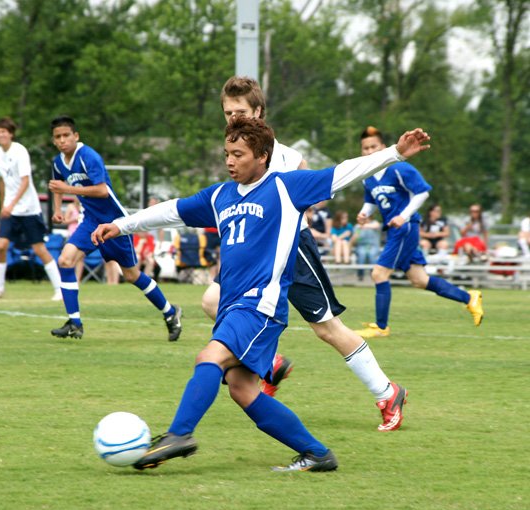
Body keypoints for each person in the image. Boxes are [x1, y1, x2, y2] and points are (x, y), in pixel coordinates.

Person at [91, 118, 430, 471]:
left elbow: (344, 171)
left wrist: (395, 153)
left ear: (263, 156)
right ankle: (317, 454)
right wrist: (121, 225)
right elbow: (171, 210)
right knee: (242, 388)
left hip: (259, 305)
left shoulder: (286, 188)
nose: (230, 161)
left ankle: (180, 434)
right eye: (227, 153)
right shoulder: (220, 195)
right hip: (232, 307)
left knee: (210, 357)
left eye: (239, 154)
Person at [201, 77, 408, 434]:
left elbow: (317, 187)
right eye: (228, 113)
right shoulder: (236, 148)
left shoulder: (282, 155)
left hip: (293, 252)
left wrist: (293, 208)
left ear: (258, 112)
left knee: (327, 329)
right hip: (253, 256)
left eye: (240, 112)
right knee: (211, 300)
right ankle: (269, 363)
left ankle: (388, 392)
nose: (233, 119)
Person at [47, 115, 181, 341]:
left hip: (114, 223)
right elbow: (56, 186)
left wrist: (68, 189)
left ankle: (170, 312)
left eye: (66, 135)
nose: (62, 140)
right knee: (65, 260)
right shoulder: (58, 162)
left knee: (131, 275)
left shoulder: (88, 156)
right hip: (90, 222)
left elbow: (101, 191)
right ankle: (74, 323)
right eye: (57, 137)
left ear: (76, 136)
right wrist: (58, 209)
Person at [354, 126, 484, 339]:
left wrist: (403, 216)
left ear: (383, 147)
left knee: (379, 273)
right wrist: (363, 213)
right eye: (365, 148)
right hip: (397, 229)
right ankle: (470, 298)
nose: (369, 151)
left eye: (373, 146)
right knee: (420, 279)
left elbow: (422, 192)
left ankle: (380, 327)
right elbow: (371, 201)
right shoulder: (367, 176)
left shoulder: (399, 168)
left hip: (405, 228)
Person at [0, 118, 62, 300]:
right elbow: (2, 180)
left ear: (11, 134)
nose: (0, 135)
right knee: (1, 246)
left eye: (3, 131)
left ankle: (59, 289)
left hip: (28, 209)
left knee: (39, 248)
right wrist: (4, 205)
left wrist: (11, 204)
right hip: (10, 210)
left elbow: (25, 181)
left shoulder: (20, 151)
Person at [64, 197, 84, 280]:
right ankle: (69, 278)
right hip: (72, 233)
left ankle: (77, 279)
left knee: (80, 258)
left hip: (82, 233)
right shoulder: (70, 207)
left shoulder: (84, 207)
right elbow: (64, 220)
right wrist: (74, 219)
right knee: (70, 257)